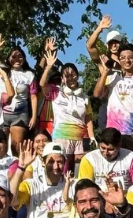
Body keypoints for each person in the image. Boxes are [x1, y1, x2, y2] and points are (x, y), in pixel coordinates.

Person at [36, 41, 93, 171]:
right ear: (62, 78)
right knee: (63, 169)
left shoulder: (84, 96)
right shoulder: (55, 92)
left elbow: (88, 118)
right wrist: (48, 66)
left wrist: (92, 136)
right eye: (67, 75)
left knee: (78, 171)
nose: (70, 78)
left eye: (73, 74)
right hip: (62, 136)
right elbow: (42, 84)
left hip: (80, 137)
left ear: (77, 76)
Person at [93, 43, 133, 161]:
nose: (127, 60)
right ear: (119, 60)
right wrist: (105, 72)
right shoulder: (112, 78)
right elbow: (97, 94)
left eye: (130, 57)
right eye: (123, 58)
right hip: (114, 134)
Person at [20, 142, 75, 218]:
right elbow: (13, 202)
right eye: (51, 162)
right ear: (43, 162)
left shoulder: (72, 184)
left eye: (60, 162)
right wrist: (21, 168)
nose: (56, 166)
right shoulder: (31, 184)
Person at [79, 127, 133, 193]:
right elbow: (85, 187)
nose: (106, 153)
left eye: (110, 149)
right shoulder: (89, 159)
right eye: (103, 148)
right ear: (99, 144)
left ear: (119, 146)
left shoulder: (132, 157)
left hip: (126, 197)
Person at [0, 44, 38, 155]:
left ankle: (17, 165)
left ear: (24, 59)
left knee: (16, 147)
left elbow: (33, 96)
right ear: (8, 58)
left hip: (20, 114)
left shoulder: (29, 75)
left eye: (20, 56)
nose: (17, 59)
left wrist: (34, 117)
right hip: (2, 114)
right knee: (1, 146)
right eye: (14, 56)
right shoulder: (3, 71)